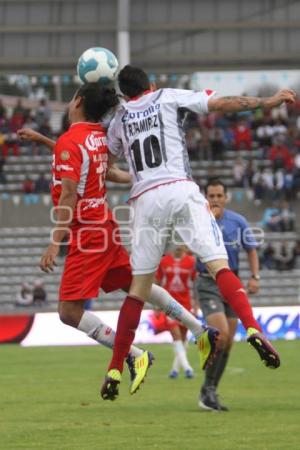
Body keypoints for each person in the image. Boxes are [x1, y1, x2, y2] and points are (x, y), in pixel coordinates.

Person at [102, 64, 294, 400]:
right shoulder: (168, 97)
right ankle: (253, 327)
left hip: (145, 200)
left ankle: (116, 367)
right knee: (219, 265)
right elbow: (223, 104)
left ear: (124, 94)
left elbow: (106, 166)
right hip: (181, 189)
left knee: (138, 290)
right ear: (150, 84)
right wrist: (268, 101)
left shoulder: (119, 119)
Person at [18, 84, 215, 399]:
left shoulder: (73, 140)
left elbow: (69, 192)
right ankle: (199, 329)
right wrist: (44, 141)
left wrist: (55, 242)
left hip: (87, 234)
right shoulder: (96, 135)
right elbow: (85, 161)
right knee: (138, 287)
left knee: (69, 312)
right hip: (105, 227)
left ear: (78, 101)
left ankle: (135, 354)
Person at [195, 179, 260, 411]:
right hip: (207, 282)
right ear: (206, 198)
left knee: (229, 342)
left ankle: (209, 389)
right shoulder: (198, 220)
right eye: (211, 196)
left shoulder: (238, 221)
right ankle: (208, 391)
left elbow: (251, 250)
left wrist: (254, 276)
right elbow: (185, 244)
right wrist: (208, 219)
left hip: (231, 282)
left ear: (226, 197)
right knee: (221, 334)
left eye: (219, 196)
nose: (215, 200)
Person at [153, 246, 196, 379]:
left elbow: (195, 283)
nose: (177, 246)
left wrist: (197, 304)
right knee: (176, 336)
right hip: (169, 302)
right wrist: (156, 304)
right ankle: (188, 368)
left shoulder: (191, 261)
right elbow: (158, 282)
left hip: (186, 303)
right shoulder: (164, 261)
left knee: (183, 338)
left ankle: (175, 369)